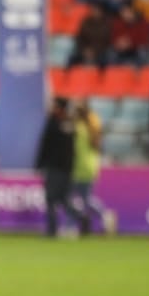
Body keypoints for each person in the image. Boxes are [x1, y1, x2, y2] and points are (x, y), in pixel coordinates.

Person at [35, 97, 88, 237]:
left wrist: (39, 164)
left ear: (58, 107)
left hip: (54, 168)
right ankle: (82, 217)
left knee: (51, 199)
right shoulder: (69, 124)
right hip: (67, 168)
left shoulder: (53, 123)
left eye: (53, 105)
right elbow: (72, 149)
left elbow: (45, 146)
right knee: (64, 199)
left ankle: (52, 229)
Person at [70, 99, 103, 234]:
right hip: (90, 167)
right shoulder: (92, 126)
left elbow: (74, 150)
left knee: (68, 199)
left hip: (78, 168)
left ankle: (72, 225)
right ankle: (103, 215)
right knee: (85, 198)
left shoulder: (78, 129)